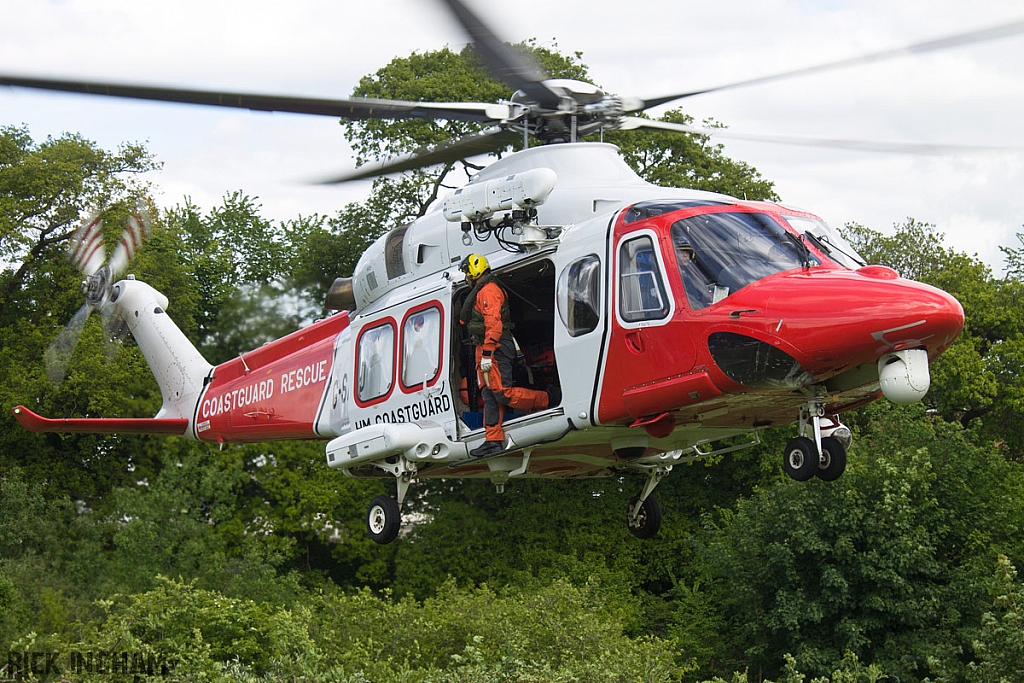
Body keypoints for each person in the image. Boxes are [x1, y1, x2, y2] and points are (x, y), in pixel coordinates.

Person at [458, 253, 552, 458]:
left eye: (466, 272)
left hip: (495, 347)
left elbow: (494, 325)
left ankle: (546, 398)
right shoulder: (481, 290)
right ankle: (493, 439)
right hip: (482, 347)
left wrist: (488, 352)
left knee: (502, 392)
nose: (465, 277)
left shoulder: (489, 291)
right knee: (489, 395)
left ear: (475, 272)